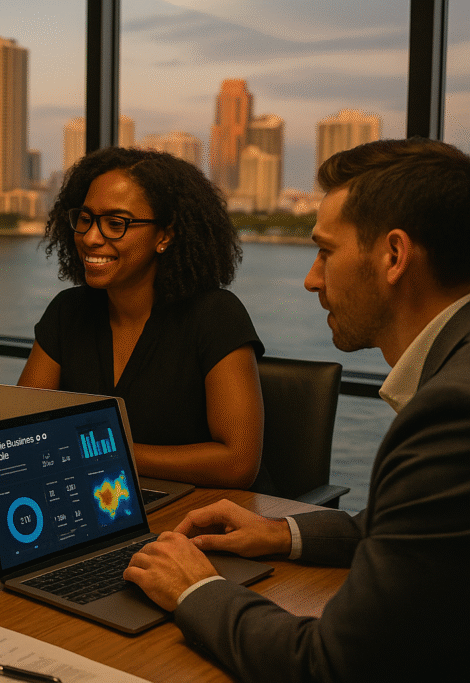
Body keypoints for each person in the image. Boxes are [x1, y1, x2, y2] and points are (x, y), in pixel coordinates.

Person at [123, 138, 470, 681]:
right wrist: (281, 533)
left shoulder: (451, 412)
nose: (311, 278)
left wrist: (195, 589)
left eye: (326, 252)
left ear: (394, 257)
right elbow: (412, 530)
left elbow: (333, 667)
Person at [19, 147, 264, 488]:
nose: (90, 237)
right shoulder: (68, 311)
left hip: (189, 519)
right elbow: (19, 431)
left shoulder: (215, 315)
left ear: (165, 235)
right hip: (86, 502)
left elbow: (237, 464)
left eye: (115, 224)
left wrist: (101, 452)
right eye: (85, 219)